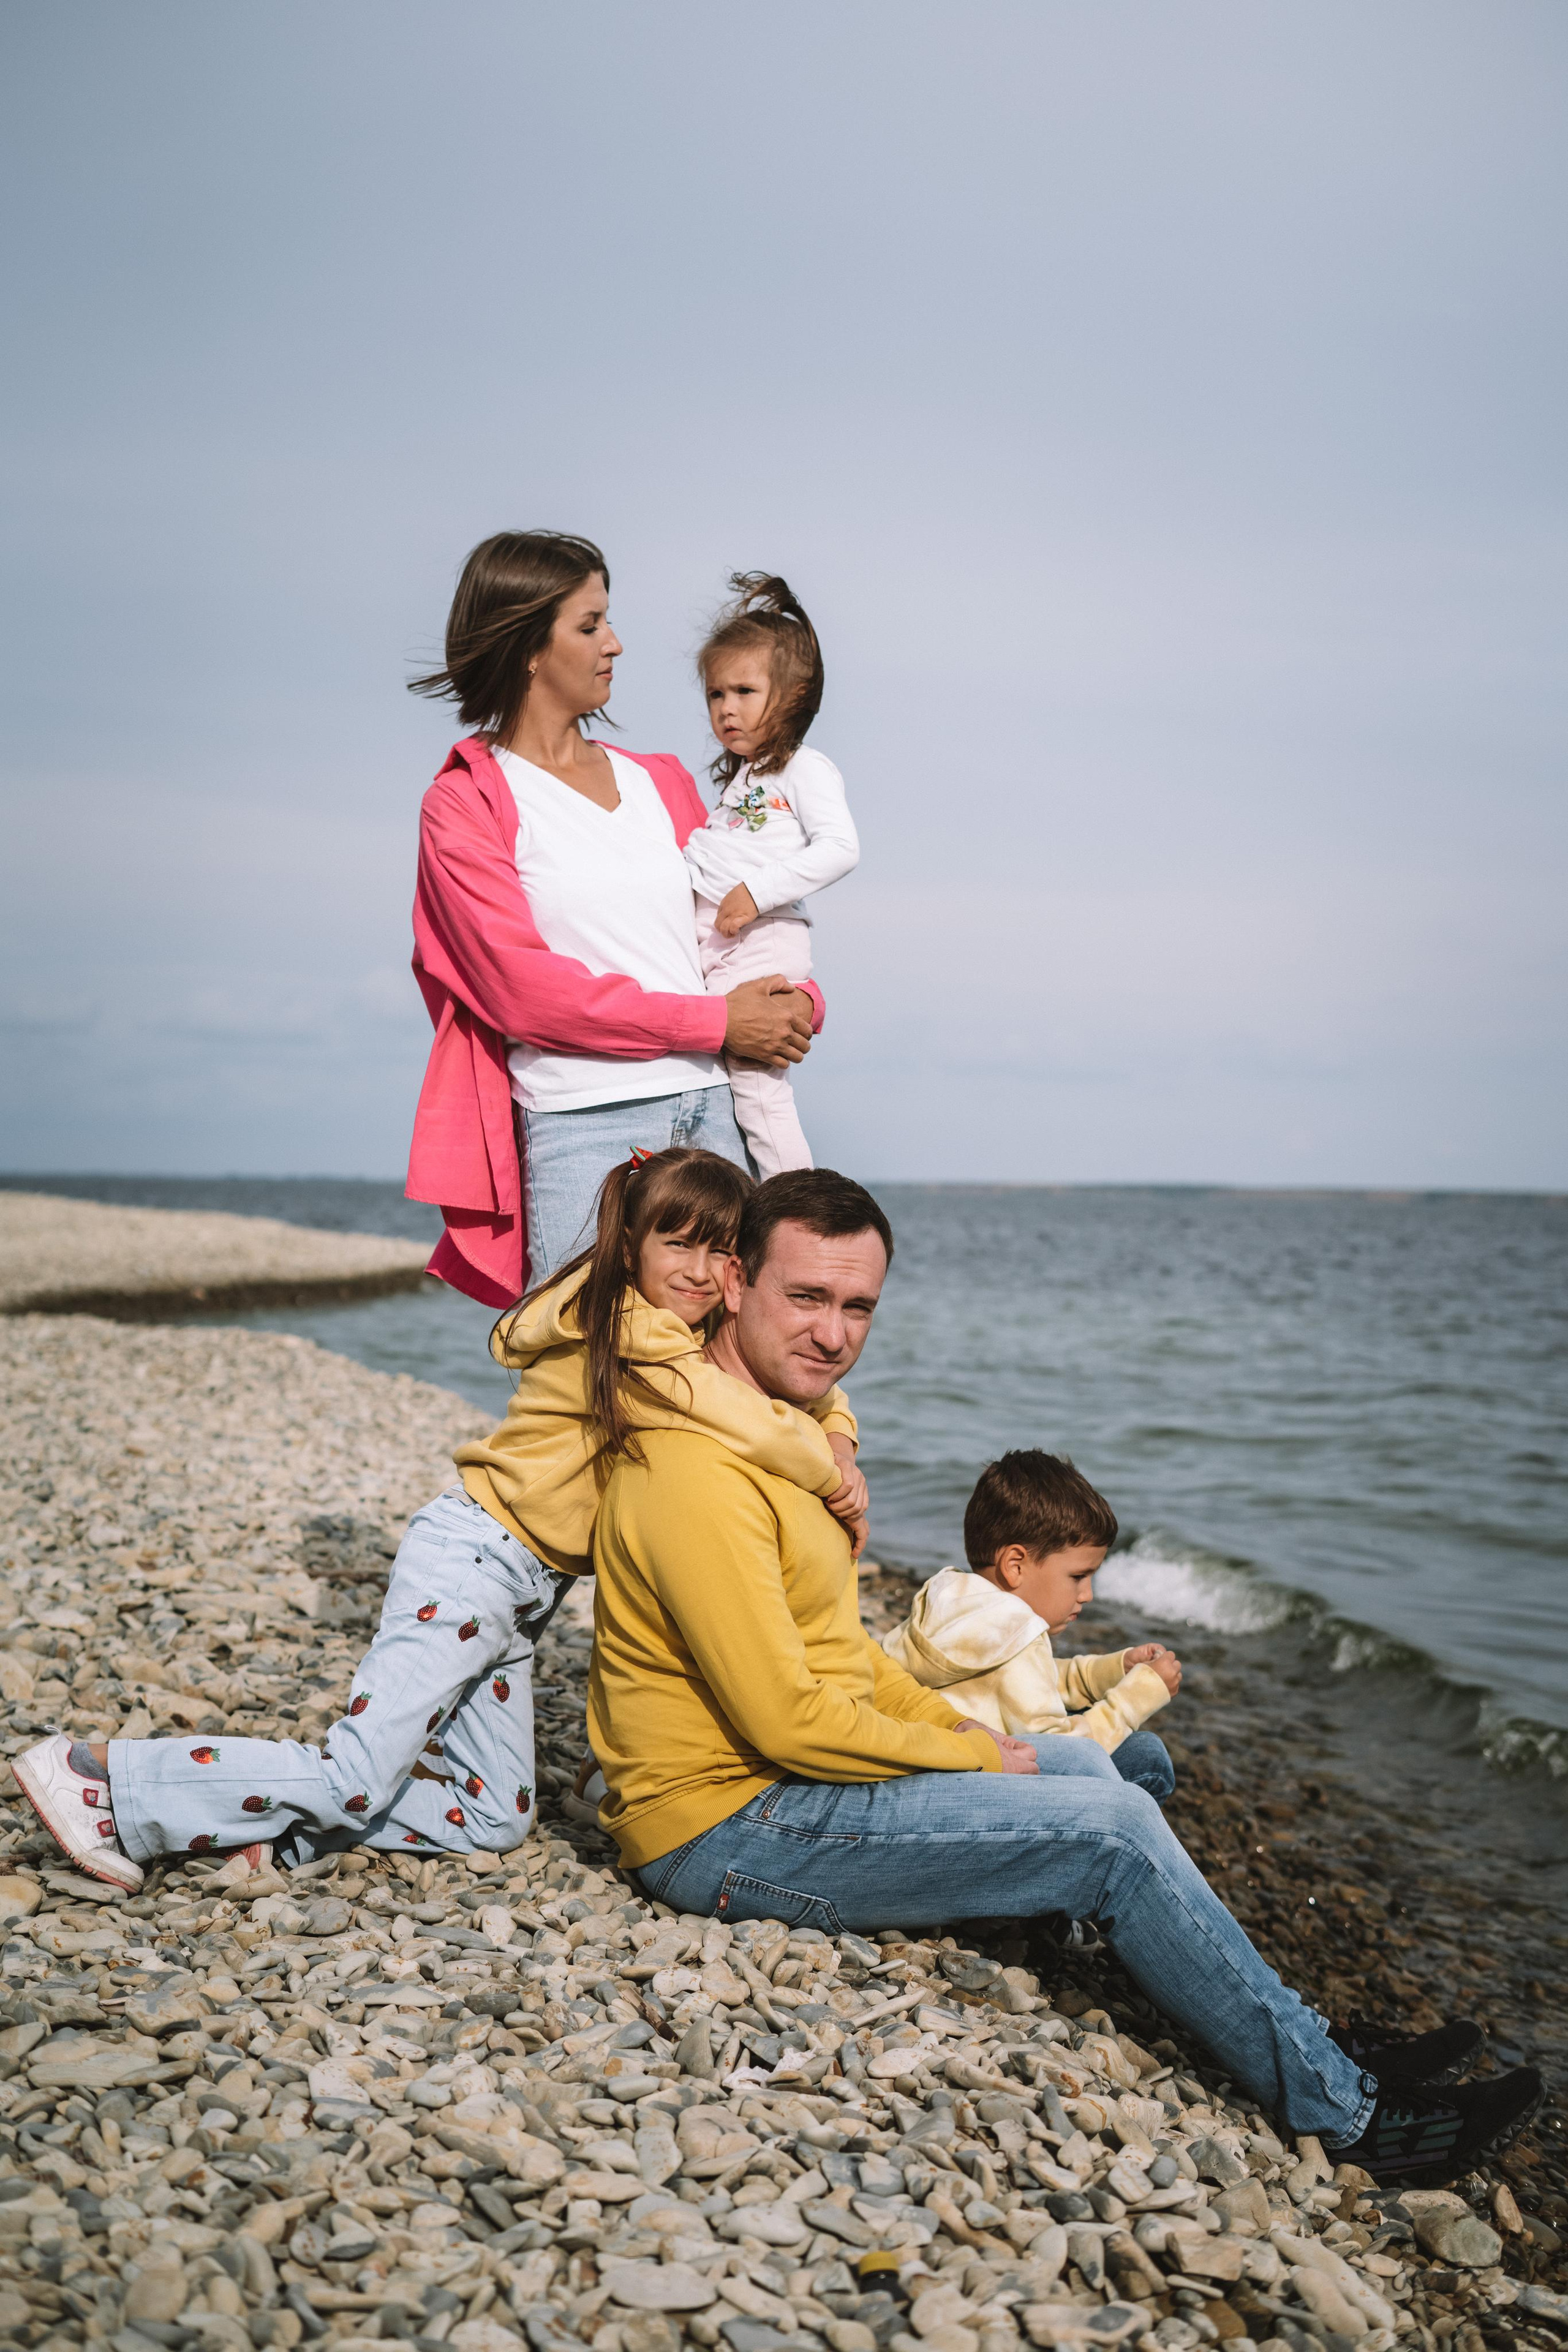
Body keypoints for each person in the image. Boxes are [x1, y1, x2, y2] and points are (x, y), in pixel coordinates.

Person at [587, 1166, 1541, 2185]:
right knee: (1115, 1833)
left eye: (858, 1304)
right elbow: (785, 1720)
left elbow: (846, 1661)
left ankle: (1295, 2029)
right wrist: (969, 1747)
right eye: (807, 1297)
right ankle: (1349, 2117)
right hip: (722, 1829)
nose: (834, 1332)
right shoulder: (699, 1472)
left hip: (784, 1789)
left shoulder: (784, 1443)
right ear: (734, 1284)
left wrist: (990, 1751)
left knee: (1121, 1763)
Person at [12, 1150, 867, 1891]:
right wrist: (830, 1477)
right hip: (476, 1561)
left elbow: (806, 1385)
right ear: (631, 1243)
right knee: (356, 1771)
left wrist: (840, 1433)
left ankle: (280, 1832)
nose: (698, 1267)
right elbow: (752, 1418)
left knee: (490, 1816)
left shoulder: (682, 1330)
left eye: (720, 1249)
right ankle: (108, 1784)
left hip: (526, 1591)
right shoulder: (635, 1333)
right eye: (677, 1242)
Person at [406, 530, 824, 1305]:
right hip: (583, 1129)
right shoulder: (466, 803)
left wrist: (792, 1000)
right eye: (590, 624)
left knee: (722, 1389)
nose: (616, 643)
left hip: (716, 1117)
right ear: (530, 644)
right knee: (581, 1385)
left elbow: (733, 922)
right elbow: (523, 992)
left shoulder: (662, 782)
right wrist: (717, 1024)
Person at [682, 575, 859, 1178]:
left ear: (793, 694)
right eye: (714, 694)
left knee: (759, 1091)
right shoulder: (745, 778)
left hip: (762, 938)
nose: (726, 708)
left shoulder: (804, 769)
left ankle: (794, 1201)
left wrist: (755, 894)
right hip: (729, 940)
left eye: (744, 691)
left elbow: (840, 849)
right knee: (718, 1083)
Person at [881, 1447, 1180, 1800]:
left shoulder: (951, 1600)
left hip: (919, 1776)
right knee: (1149, 1761)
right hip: (975, 1794)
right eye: (1078, 1576)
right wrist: (1136, 1698)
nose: (1087, 1595)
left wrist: (1115, 1670)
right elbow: (1065, 1755)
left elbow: (1028, 1680)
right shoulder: (1020, 1636)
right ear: (1015, 1566)